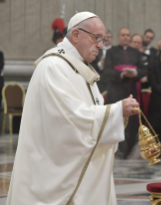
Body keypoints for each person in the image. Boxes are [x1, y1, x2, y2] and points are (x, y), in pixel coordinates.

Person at [6, 12, 140, 205]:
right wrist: (115, 112)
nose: (101, 46)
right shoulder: (53, 67)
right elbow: (69, 120)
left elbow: (85, 113)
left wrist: (117, 114)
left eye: (102, 39)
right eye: (96, 38)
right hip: (49, 174)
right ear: (76, 35)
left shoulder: (80, 68)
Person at [103, 27, 147, 159]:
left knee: (132, 123)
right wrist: (122, 74)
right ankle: (117, 151)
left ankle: (128, 150)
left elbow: (144, 70)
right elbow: (106, 71)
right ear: (118, 37)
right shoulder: (111, 52)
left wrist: (136, 73)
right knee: (116, 121)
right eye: (123, 35)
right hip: (116, 92)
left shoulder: (136, 52)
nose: (126, 37)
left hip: (131, 91)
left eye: (128, 35)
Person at [90, 29, 113, 93]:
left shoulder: (116, 51)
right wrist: (100, 64)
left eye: (108, 37)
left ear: (112, 39)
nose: (106, 39)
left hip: (112, 82)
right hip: (99, 82)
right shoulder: (95, 50)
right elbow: (90, 66)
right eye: (105, 37)